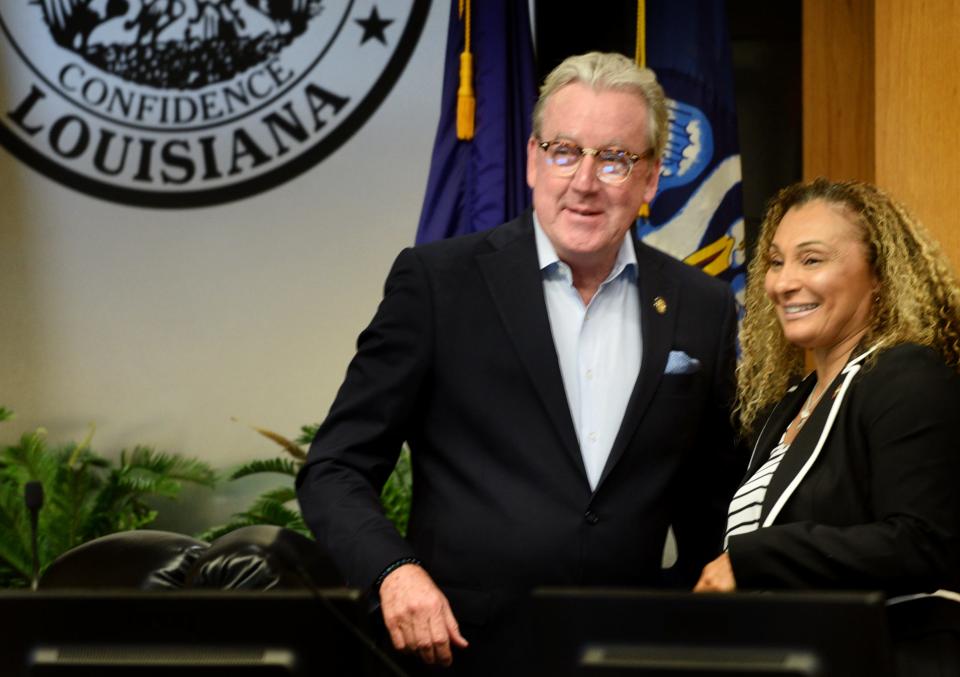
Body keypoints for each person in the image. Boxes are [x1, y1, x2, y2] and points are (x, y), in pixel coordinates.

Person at [297, 51, 743, 673]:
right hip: (465, 652)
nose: (584, 181)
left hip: (636, 652)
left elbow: (715, 499)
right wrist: (394, 574)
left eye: (614, 159)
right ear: (533, 160)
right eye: (565, 151)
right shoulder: (438, 283)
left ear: (649, 181)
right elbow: (336, 469)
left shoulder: (704, 305)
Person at [694, 178, 960, 675]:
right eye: (776, 261)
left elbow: (922, 541)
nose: (783, 282)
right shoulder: (788, 406)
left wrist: (755, 559)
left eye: (811, 259)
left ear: (878, 274)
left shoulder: (904, 374)